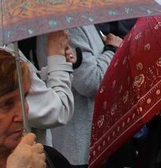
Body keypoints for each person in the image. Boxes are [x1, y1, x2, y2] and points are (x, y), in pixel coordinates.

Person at [0, 31, 75, 146]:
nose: (21, 115)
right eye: (7, 105)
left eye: (25, 97)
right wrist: (57, 57)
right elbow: (57, 111)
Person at [37, 26, 121, 166]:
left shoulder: (78, 22)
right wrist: (112, 50)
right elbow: (91, 81)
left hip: (90, 143)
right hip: (80, 148)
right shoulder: (67, 28)